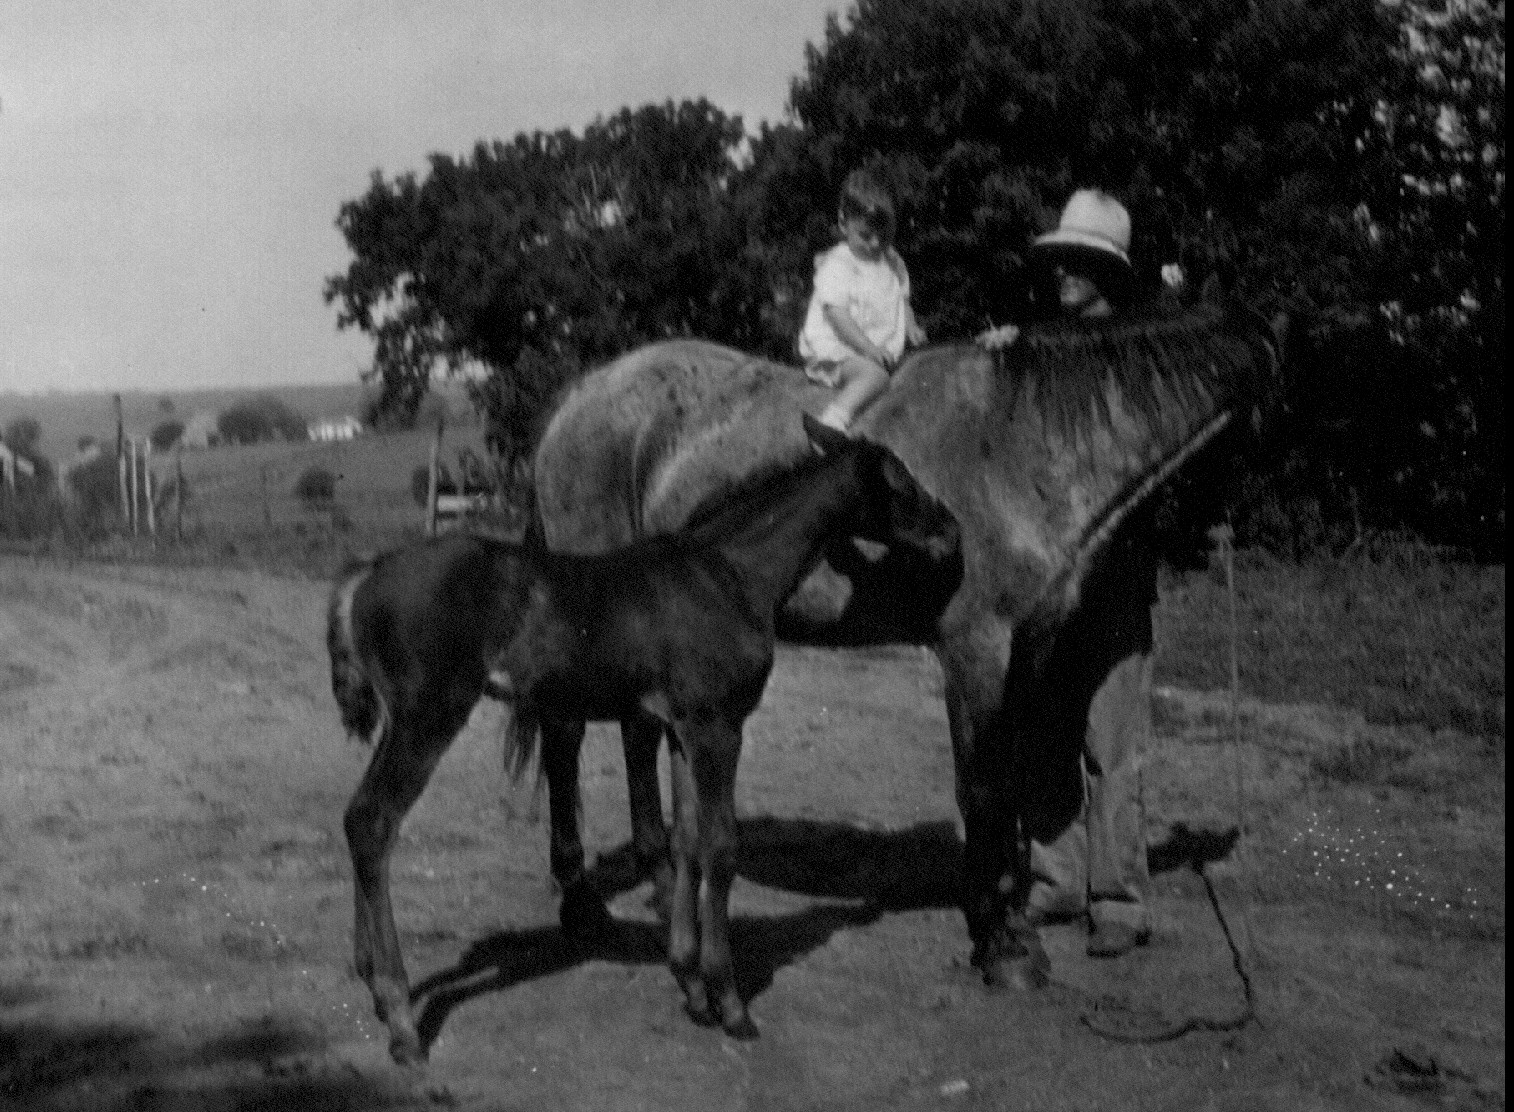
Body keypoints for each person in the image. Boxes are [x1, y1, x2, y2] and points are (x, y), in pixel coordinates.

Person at [982, 187, 1155, 958]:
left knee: (1111, 739)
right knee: (1050, 730)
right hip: (1054, 571)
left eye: (1077, 266)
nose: (1061, 277)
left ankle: (1116, 898)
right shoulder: (1044, 343)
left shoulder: (1135, 352)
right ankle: (1055, 882)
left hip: (1116, 570)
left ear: (1106, 275)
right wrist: (1006, 354)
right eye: (1058, 265)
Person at [798, 170, 926, 432]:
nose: (875, 244)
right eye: (865, 235)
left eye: (885, 236)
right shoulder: (839, 264)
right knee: (874, 377)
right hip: (839, 351)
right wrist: (868, 348)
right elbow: (838, 316)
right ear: (844, 224)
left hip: (877, 351)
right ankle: (832, 423)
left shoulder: (892, 262)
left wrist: (911, 326)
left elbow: (902, 299)